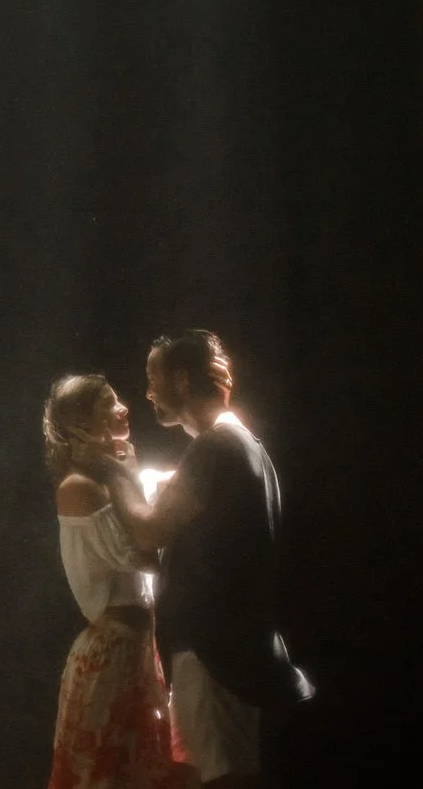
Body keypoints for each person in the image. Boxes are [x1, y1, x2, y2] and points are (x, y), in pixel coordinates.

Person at [104, 331, 311, 789]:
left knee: (221, 780)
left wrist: (114, 469)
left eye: (153, 379)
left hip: (215, 654)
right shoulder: (239, 444)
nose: (148, 392)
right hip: (228, 649)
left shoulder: (216, 447)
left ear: (181, 380)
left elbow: (150, 529)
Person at [42, 374, 192, 789]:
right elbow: (142, 554)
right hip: (109, 654)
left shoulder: (118, 480)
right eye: (108, 404)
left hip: (138, 651)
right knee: (101, 776)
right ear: (79, 424)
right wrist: (125, 474)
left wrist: (129, 473)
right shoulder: (78, 487)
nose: (123, 408)